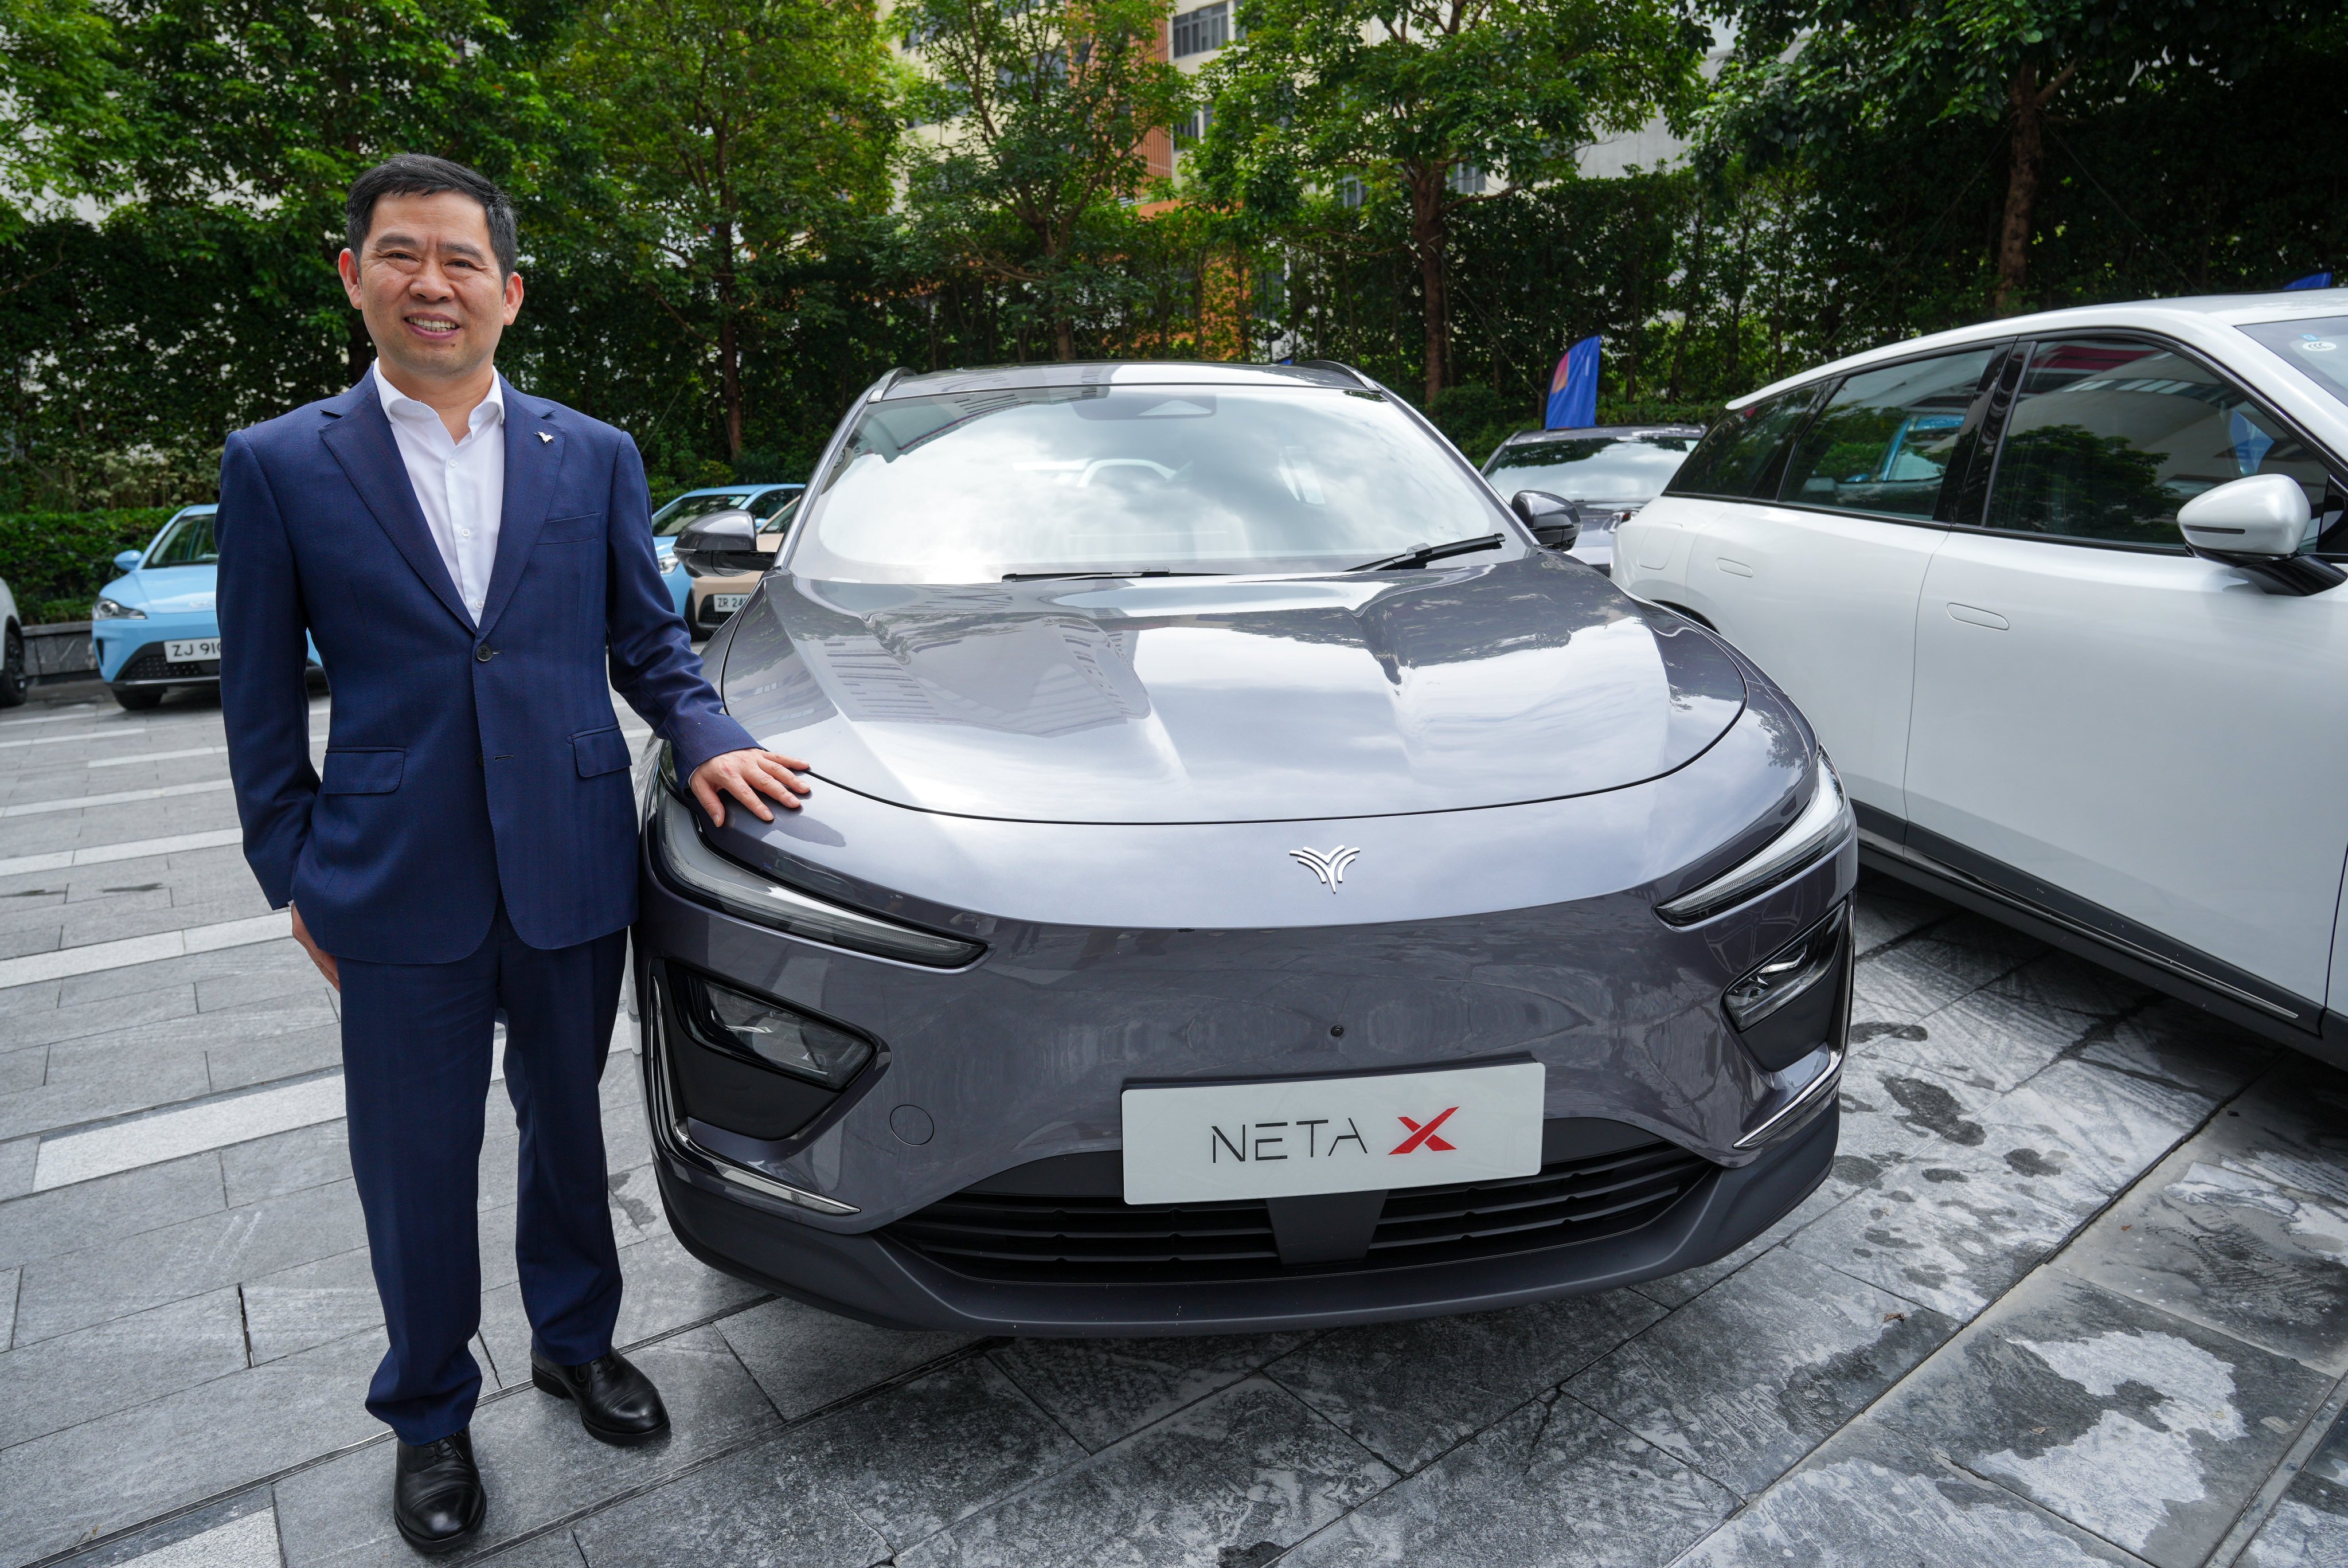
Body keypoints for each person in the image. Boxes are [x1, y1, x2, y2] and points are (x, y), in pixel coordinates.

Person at [217, 154, 810, 1554]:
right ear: (352, 274)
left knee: (565, 1128)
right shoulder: (282, 464)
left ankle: (575, 1343)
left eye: (462, 260)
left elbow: (646, 640)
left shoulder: (590, 453)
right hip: (389, 879)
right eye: (402, 255)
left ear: (510, 291)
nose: (434, 283)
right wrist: (294, 869)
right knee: (411, 1161)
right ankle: (427, 1415)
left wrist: (710, 731)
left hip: (566, 862)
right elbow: (255, 698)